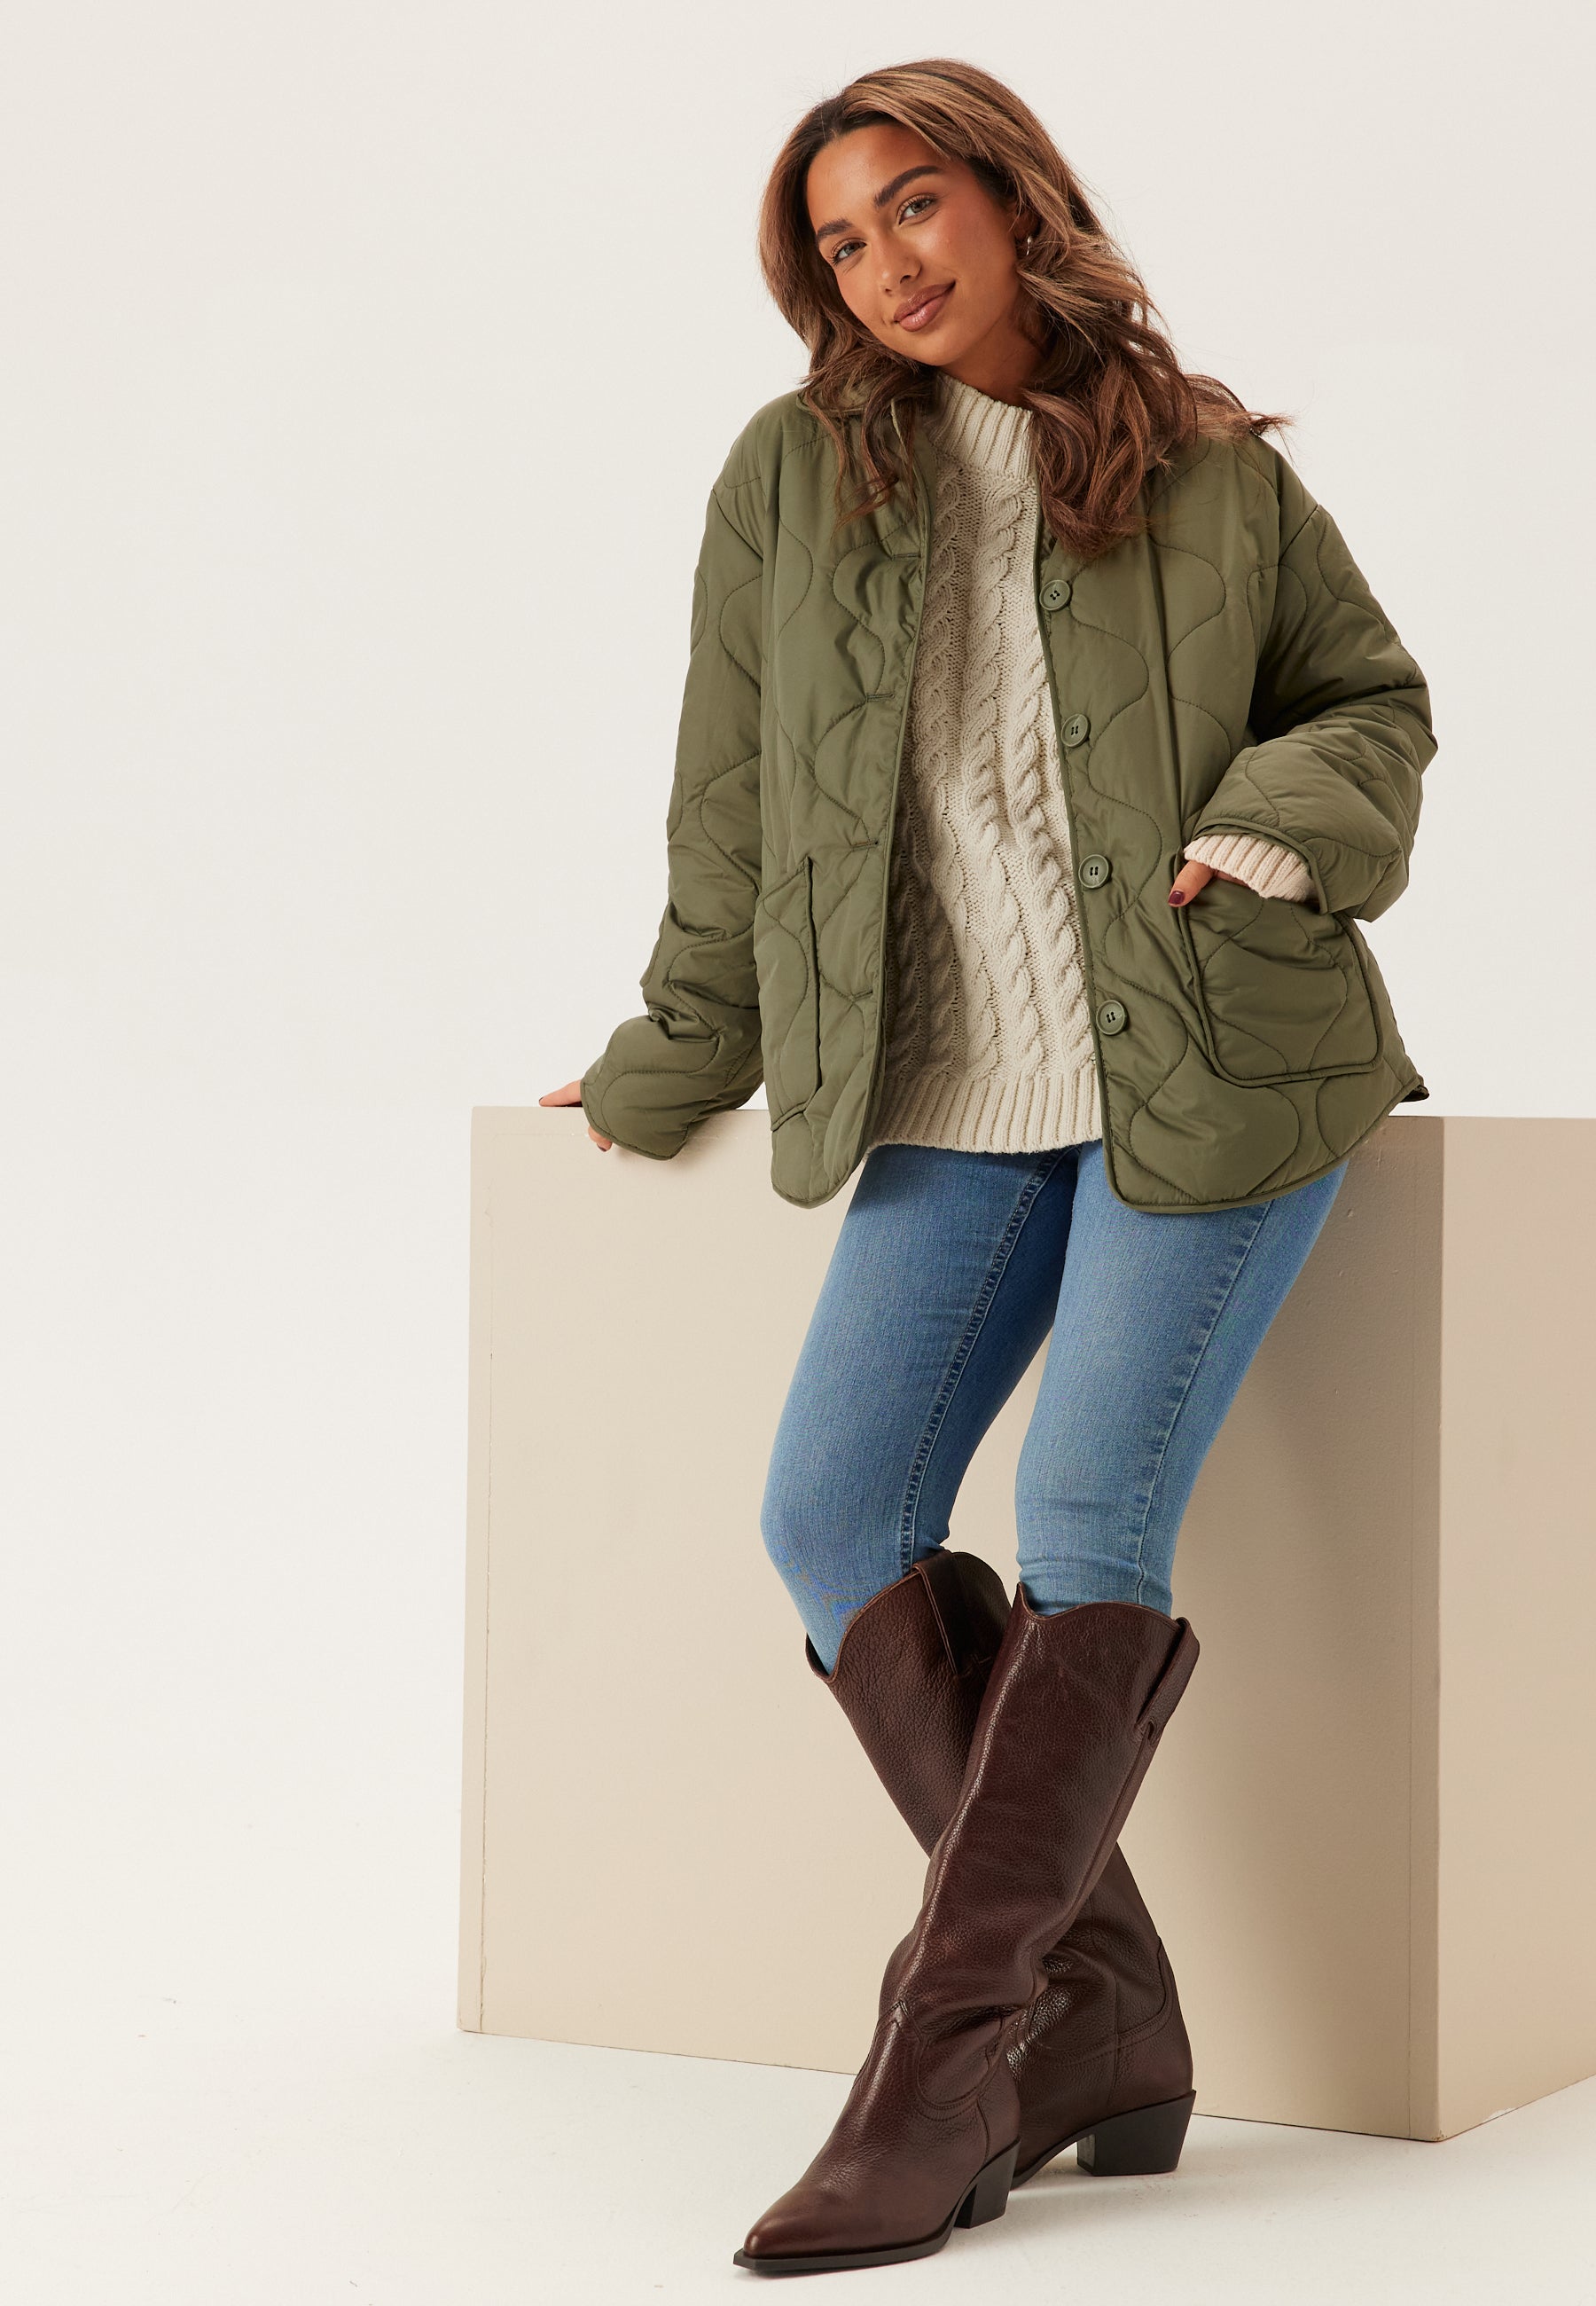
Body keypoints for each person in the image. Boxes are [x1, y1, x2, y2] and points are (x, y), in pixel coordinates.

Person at [542, 56, 1435, 2279]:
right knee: (831, 1512)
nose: (885, 265)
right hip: (955, 1086)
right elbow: (730, 802)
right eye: (838, 242)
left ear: (1014, 198)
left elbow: (1373, 703)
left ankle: (938, 2073)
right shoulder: (792, 479)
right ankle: (1095, 2010)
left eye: (914, 205)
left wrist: (1273, 828)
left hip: (1217, 1063)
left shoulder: (1208, 470)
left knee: (1085, 1511)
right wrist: (676, 1053)